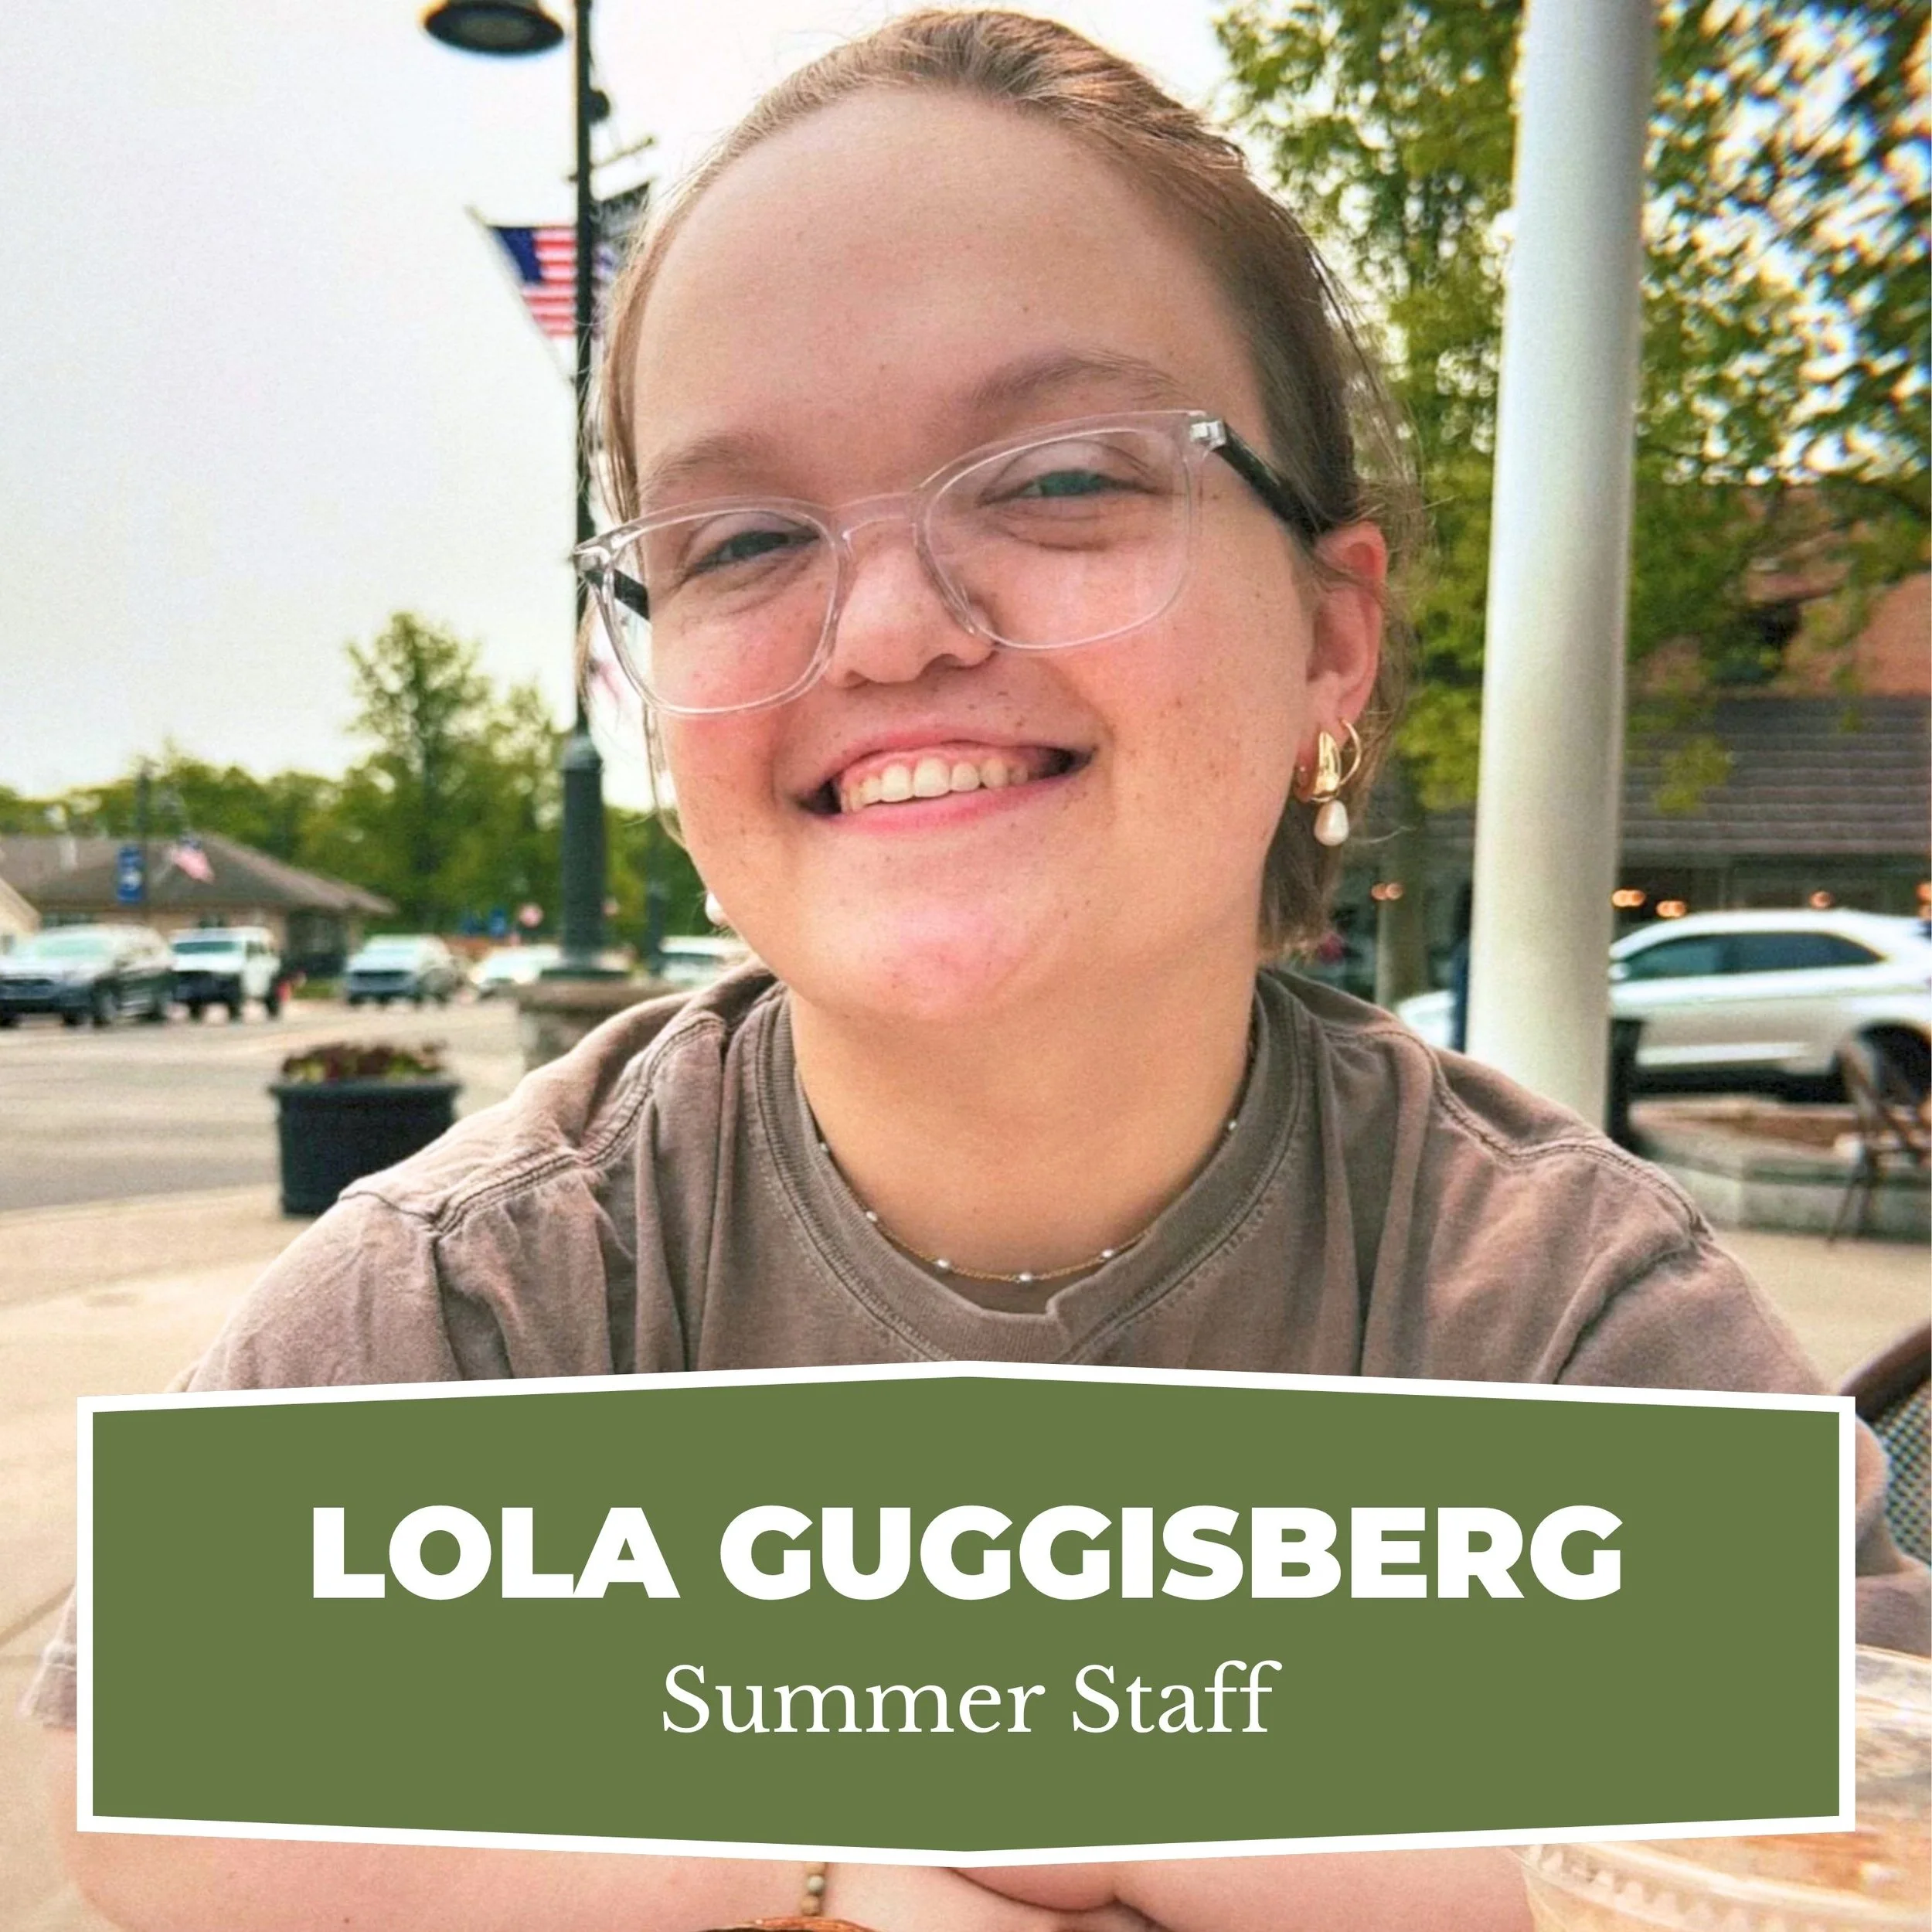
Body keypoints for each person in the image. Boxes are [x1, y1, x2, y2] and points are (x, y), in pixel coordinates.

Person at [36, 12, 1927, 1930]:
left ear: (1330, 638)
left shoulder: (1563, 1318)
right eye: (745, 533)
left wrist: (1116, 1795)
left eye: (1055, 481)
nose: (886, 626)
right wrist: (801, 1856)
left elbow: (1859, 1847)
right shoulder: (483, 1288)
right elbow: (138, 1773)